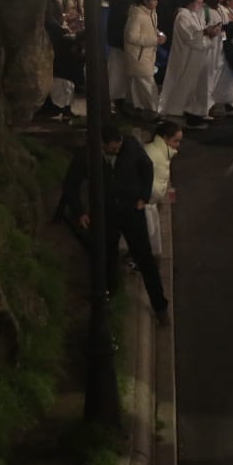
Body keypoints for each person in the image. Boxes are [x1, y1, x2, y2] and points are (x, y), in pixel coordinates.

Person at [55, 126, 168, 324]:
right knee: (107, 254)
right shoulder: (87, 156)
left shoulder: (131, 146)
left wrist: (143, 196)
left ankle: (160, 306)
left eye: (118, 148)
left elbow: (146, 167)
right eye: (112, 149)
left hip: (132, 211)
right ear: (102, 145)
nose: (117, 152)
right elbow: (71, 183)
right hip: (106, 212)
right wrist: (79, 212)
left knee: (145, 258)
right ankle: (109, 294)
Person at [158, 0, 221, 125]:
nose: (200, 6)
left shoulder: (194, 15)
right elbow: (190, 36)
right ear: (191, 2)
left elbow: (198, 33)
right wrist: (205, 32)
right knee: (182, 84)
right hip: (186, 56)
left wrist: (209, 32)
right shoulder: (183, 16)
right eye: (198, 2)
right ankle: (177, 111)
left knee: (194, 86)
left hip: (196, 57)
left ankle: (193, 111)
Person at [143, 121, 182, 258]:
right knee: (146, 235)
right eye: (175, 141)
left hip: (150, 202)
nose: (178, 145)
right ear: (165, 138)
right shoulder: (153, 153)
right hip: (145, 203)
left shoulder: (162, 153)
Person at [124, 0, 164, 116]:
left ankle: (138, 108)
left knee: (138, 84)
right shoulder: (137, 15)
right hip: (139, 55)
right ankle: (152, 110)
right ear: (145, 1)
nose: (156, 3)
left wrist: (159, 34)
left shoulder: (152, 13)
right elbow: (131, 36)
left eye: (157, 0)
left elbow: (153, 28)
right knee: (147, 84)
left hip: (146, 54)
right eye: (153, 0)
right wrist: (154, 40)